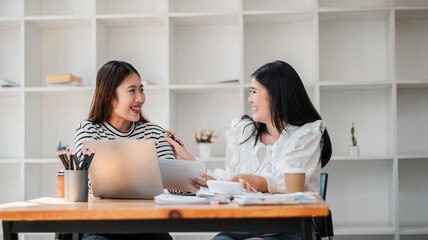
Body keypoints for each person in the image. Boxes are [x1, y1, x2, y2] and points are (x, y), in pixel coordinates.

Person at [165, 60, 332, 240]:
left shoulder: (306, 134)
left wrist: (253, 180)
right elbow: (231, 180)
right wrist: (188, 159)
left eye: (254, 91)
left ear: (276, 94)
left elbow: (288, 183)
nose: (249, 99)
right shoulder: (243, 132)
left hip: (291, 228)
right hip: (242, 226)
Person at [74, 60, 173, 240]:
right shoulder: (89, 130)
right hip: (102, 226)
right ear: (109, 95)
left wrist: (183, 161)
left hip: (149, 226)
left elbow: (173, 186)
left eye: (141, 89)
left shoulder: (155, 132)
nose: (140, 98)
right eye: (132, 90)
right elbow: (89, 184)